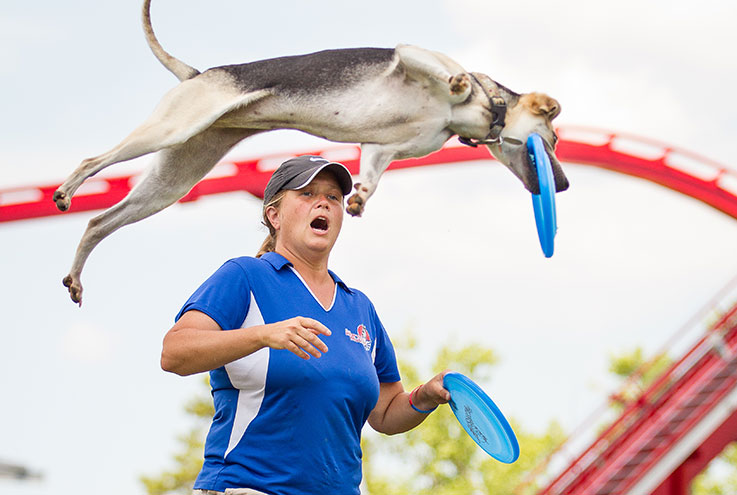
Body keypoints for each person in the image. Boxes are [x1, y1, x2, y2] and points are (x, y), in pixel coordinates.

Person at [161, 155, 451, 495]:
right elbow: (174, 353)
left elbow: (385, 413)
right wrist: (264, 335)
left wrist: (425, 396)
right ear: (274, 215)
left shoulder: (359, 308)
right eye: (307, 194)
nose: (323, 204)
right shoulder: (245, 276)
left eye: (332, 197)